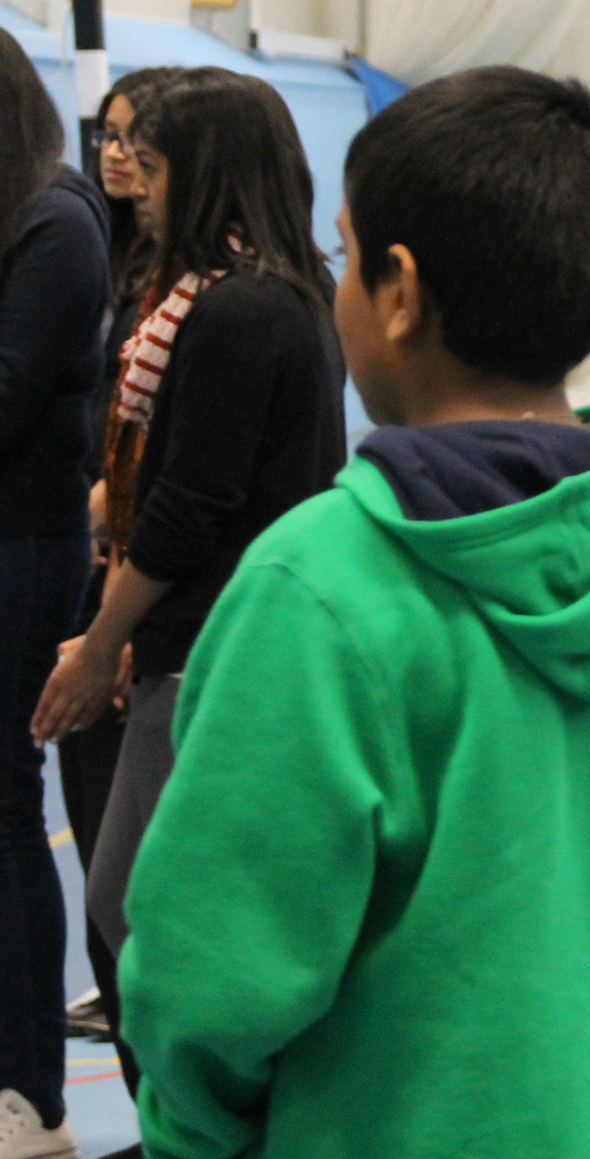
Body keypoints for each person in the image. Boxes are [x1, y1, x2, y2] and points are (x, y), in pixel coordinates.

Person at [112, 66, 590, 1159]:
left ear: (400, 288)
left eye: (346, 251)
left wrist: (191, 1135)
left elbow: (211, 972)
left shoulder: (322, 582)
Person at [29, 66, 350, 1102]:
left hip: (216, 644)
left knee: (144, 905)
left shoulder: (241, 312)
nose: (137, 180)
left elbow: (186, 509)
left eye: (156, 162)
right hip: (196, 638)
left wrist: (96, 643)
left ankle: (229, 1120)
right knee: (144, 904)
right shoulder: (232, 300)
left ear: (206, 171)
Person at [0, 20, 110, 1157]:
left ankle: (33, 1096)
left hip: (20, 553)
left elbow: (0, 402)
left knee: (1, 809)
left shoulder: (55, 221)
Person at [60, 66, 177, 1055]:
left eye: (137, 136)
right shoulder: (109, 254)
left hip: (159, 596)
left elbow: (194, 482)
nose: (116, 150)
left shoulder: (222, 298)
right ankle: (127, 1003)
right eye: (106, 132)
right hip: (104, 558)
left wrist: (109, 503)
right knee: (105, 854)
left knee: (141, 865)